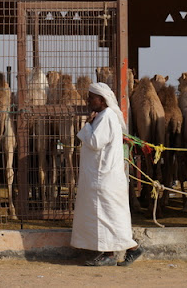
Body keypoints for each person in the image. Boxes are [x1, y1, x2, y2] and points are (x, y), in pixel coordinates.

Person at [71, 82, 143, 266]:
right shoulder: (103, 116)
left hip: (105, 178)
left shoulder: (107, 117)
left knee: (111, 217)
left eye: (91, 97)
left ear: (101, 100)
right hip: (102, 177)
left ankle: (133, 248)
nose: (88, 101)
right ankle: (109, 254)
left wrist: (86, 126)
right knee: (105, 216)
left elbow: (95, 142)